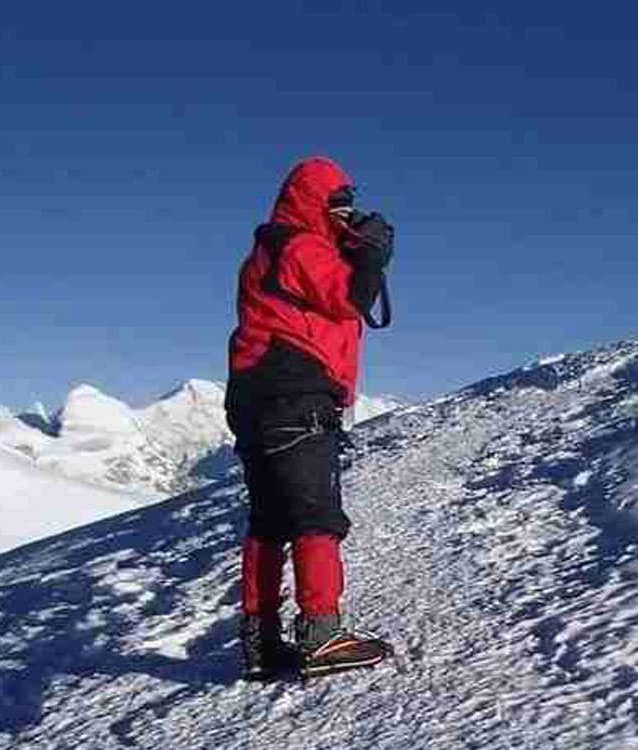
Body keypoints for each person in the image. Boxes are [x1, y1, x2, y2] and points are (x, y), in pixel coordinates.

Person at [226, 156, 393, 678]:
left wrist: (354, 250)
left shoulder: (274, 246)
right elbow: (346, 299)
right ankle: (322, 636)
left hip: (255, 394)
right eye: (339, 204)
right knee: (314, 515)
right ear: (315, 203)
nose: (347, 214)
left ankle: (261, 645)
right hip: (295, 392)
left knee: (269, 522)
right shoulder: (299, 243)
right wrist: (372, 257)